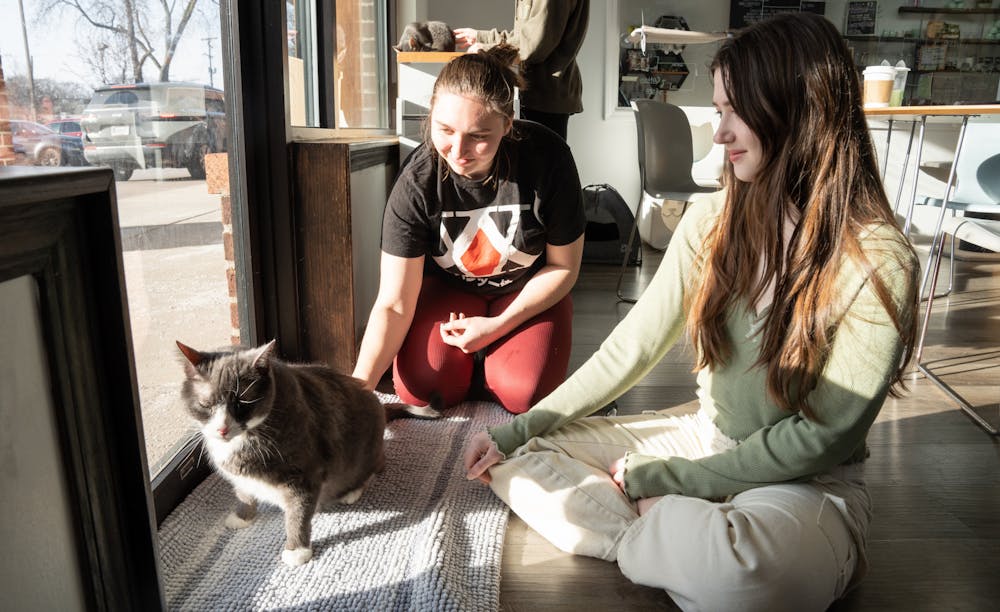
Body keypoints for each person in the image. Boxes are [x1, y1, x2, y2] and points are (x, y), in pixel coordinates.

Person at [462, 12, 919, 611]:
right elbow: (631, 348)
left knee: (753, 577)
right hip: (707, 436)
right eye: (718, 109)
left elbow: (822, 438)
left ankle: (666, 531)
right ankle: (675, 539)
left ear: (798, 110)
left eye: (735, 111)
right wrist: (516, 431)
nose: (720, 134)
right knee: (518, 461)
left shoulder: (878, 259)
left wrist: (664, 480)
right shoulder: (711, 222)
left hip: (807, 483)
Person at [351, 44, 586, 415]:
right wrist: (357, 389)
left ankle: (491, 361)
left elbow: (564, 267)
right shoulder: (416, 182)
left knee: (524, 393)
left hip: (525, 289)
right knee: (423, 390)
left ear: (507, 125)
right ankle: (478, 365)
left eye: (478, 135)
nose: (458, 150)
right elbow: (394, 303)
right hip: (450, 291)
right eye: (445, 129)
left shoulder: (548, 158)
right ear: (431, 116)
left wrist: (498, 326)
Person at [453, 1, 589, 141]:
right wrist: (480, 37)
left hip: (544, 97)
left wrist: (488, 50)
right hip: (541, 94)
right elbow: (526, 36)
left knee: (542, 153)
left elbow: (533, 46)